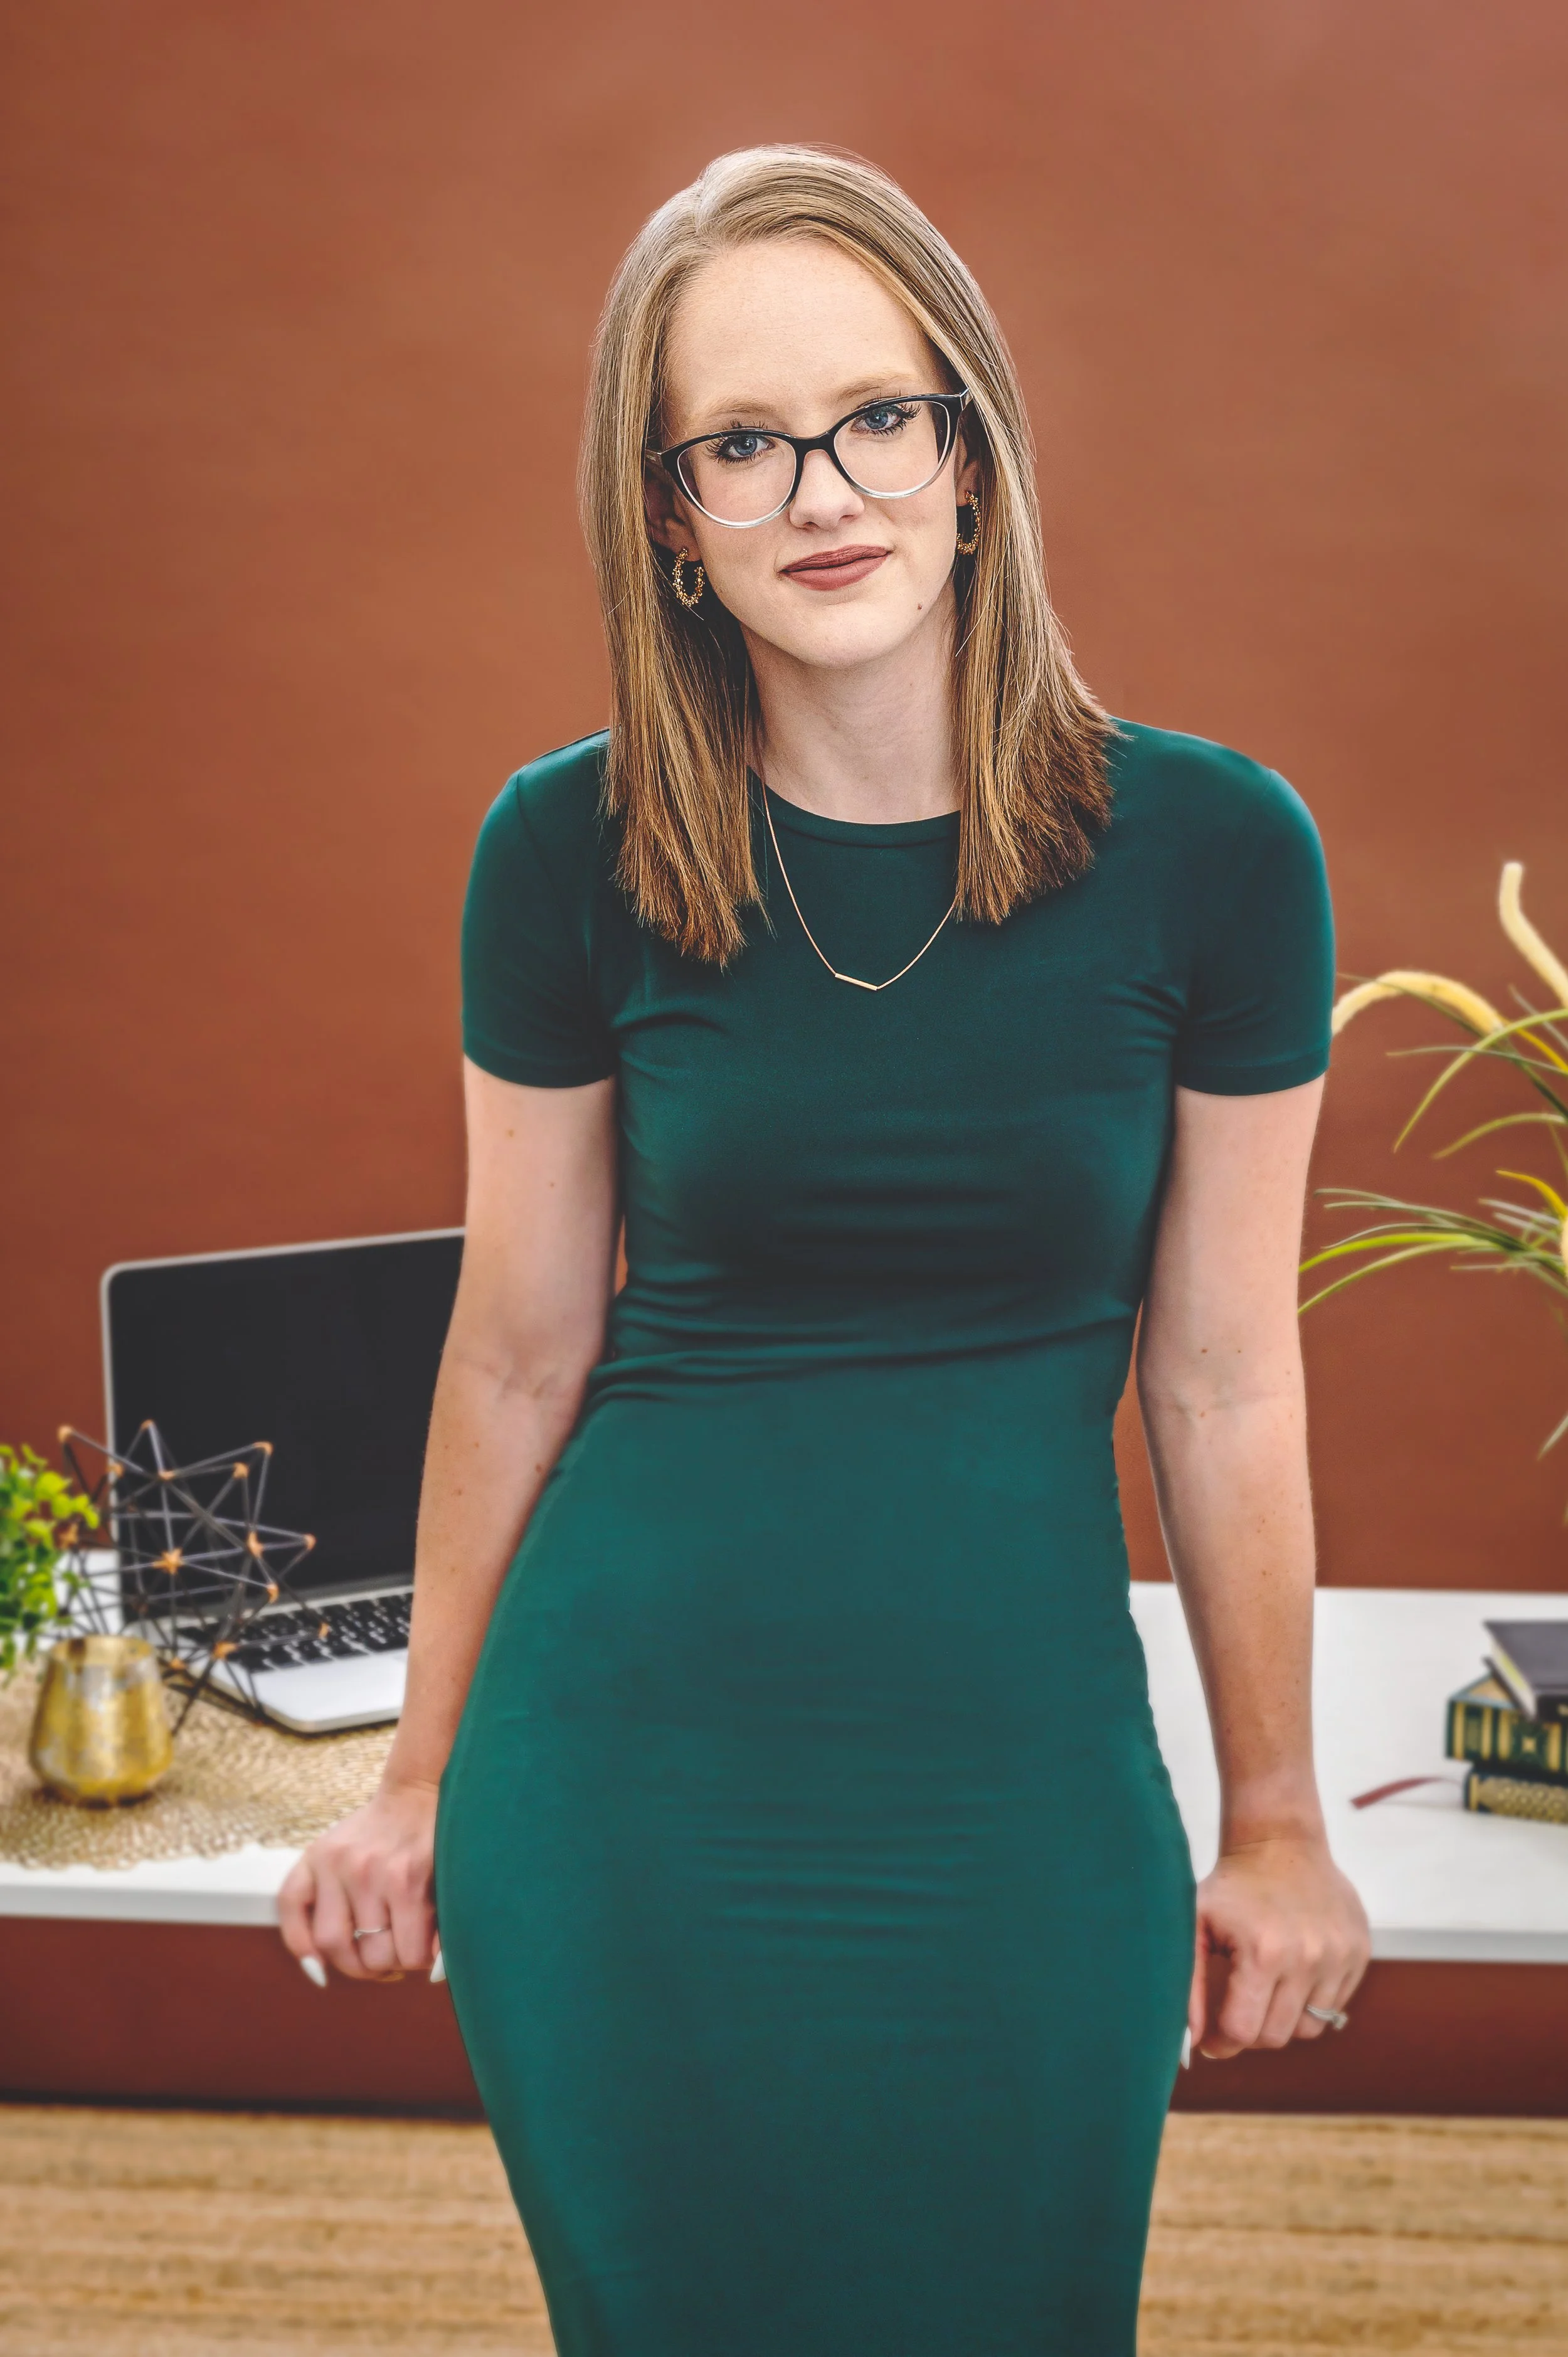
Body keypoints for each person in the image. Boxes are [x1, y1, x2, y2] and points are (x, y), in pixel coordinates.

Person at [279, 143, 1369, 2356]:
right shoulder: (561, 853)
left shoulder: (1217, 855)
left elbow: (1225, 1376)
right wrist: (414, 1777)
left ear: (971, 452)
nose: (823, 488)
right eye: (742, 445)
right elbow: (515, 1352)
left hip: (1017, 1776)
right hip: (622, 1786)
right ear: (666, 518)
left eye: (882, 414)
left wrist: (1275, 1815)